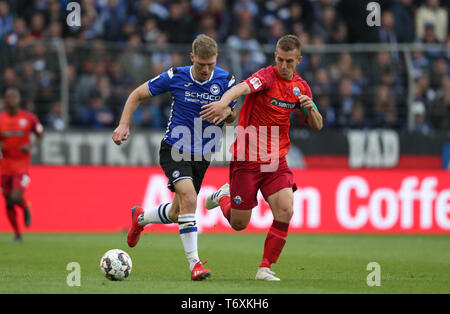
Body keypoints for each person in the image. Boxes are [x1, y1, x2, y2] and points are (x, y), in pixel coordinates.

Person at [112, 34, 237, 281]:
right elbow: (136, 94)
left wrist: (227, 111)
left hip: (203, 156)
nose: (205, 69)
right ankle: (195, 264)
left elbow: (233, 117)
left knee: (178, 213)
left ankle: (140, 218)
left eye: (210, 64)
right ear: (192, 58)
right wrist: (124, 124)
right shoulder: (176, 76)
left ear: (216, 59)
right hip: (175, 149)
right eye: (201, 64)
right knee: (190, 198)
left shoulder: (226, 80)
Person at [200, 34, 323, 281]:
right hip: (247, 157)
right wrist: (223, 103)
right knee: (239, 223)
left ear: (298, 60)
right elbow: (241, 88)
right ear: (275, 56)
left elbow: (317, 125)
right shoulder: (266, 76)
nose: (284, 66)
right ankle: (224, 195)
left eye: (289, 61)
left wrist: (310, 109)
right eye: (280, 59)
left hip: (276, 160)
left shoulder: (302, 88)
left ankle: (264, 267)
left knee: (286, 210)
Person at [0, 88, 44, 243]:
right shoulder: (1, 119)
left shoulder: (29, 118)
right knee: (8, 202)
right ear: (5, 100)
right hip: (4, 166)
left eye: (14, 97)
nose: (12, 99)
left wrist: (31, 146)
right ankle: (18, 234)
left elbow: (40, 133)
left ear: (19, 100)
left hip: (21, 166)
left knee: (16, 196)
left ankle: (25, 207)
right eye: (8, 97)